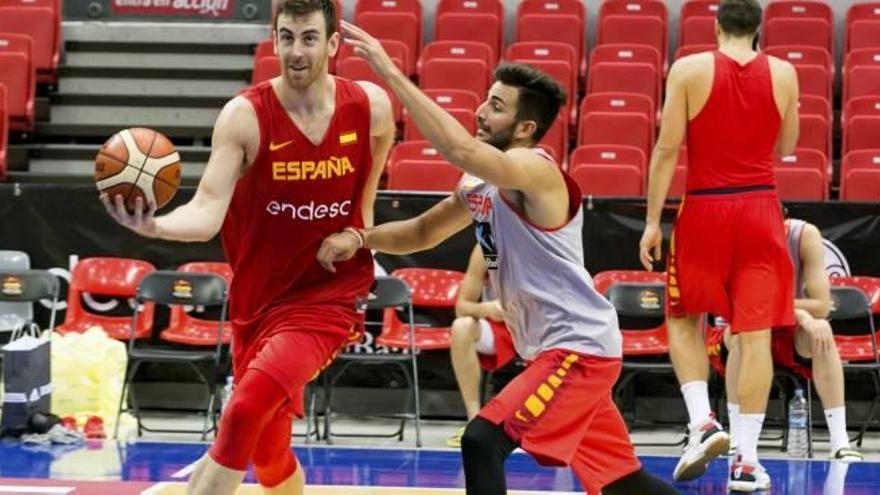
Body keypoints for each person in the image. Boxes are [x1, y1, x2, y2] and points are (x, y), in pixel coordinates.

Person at [317, 21, 679, 495]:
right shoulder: (482, 182)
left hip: (578, 350)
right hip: (555, 348)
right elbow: (423, 232)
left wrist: (389, 71)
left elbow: (460, 149)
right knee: (625, 482)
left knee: (482, 441)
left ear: (526, 128)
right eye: (486, 99)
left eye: (496, 106)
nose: (480, 111)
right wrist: (361, 238)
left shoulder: (535, 169)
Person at [100, 1, 395, 494]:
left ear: (334, 44)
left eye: (308, 37)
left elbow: (376, 157)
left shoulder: (370, 105)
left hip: (329, 297)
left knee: (245, 410)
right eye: (286, 37)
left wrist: (360, 232)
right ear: (273, 40)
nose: (296, 51)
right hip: (258, 302)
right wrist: (157, 227)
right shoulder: (245, 116)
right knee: (269, 453)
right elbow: (207, 210)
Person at [637, 0, 800, 491]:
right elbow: (787, 146)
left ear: (715, 26)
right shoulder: (786, 73)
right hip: (760, 209)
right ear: (758, 30)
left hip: (705, 206)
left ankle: (703, 421)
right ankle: (747, 461)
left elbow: (667, 150)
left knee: (685, 318)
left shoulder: (688, 68)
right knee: (754, 336)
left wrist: (650, 222)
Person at [708, 218, 863, 463]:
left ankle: (840, 442)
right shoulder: (737, 238)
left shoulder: (804, 236)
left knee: (822, 330)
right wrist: (801, 313)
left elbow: (821, 306)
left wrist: (803, 318)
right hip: (741, 328)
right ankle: (738, 439)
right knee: (740, 337)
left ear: (783, 222)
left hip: (788, 329)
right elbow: (739, 308)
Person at [446, 244, 516, 448]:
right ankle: (473, 420)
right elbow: (462, 307)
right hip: (500, 329)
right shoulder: (488, 248)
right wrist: (486, 308)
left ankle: (552, 426)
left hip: (540, 327)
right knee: (462, 326)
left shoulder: (544, 241)